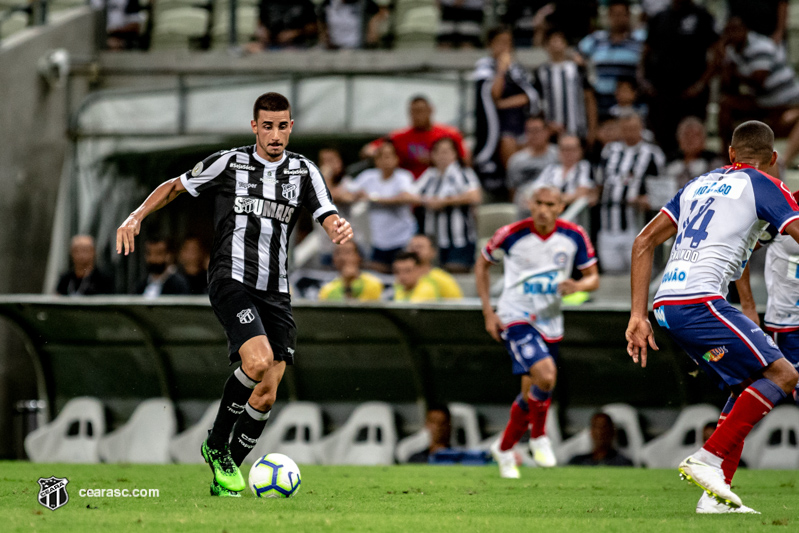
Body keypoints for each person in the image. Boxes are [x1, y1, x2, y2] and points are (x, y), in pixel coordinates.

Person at [116, 92, 353, 497]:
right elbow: (176, 187)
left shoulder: (304, 171)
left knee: (267, 391)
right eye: (268, 126)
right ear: (254, 127)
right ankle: (215, 444)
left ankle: (227, 479)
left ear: (290, 127)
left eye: (282, 126)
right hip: (231, 278)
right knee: (257, 360)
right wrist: (137, 215)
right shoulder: (230, 162)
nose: (275, 134)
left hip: (276, 290)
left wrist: (336, 226)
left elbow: (326, 211)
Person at [625, 120, 799, 514]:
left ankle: (715, 497)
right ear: (773, 158)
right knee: (784, 374)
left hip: (666, 304)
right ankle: (708, 458)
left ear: (731, 154)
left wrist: (637, 315)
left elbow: (643, 241)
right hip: (700, 301)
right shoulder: (764, 184)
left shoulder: (697, 184)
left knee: (748, 387)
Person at [476, 185, 599, 478]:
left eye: (551, 204)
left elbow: (593, 278)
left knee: (532, 392)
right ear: (530, 204)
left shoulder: (573, 236)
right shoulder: (511, 233)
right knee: (546, 376)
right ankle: (539, 437)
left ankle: (504, 449)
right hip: (515, 316)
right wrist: (488, 312)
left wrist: (578, 286)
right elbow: (482, 265)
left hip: (550, 322)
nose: (544, 209)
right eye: (539, 203)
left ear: (560, 207)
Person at [719, 17, 799, 170]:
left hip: (787, 101)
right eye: (728, 32)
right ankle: (727, 158)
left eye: (735, 31)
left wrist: (732, 69)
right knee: (725, 104)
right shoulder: (730, 51)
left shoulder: (761, 46)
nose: (731, 35)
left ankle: (784, 161)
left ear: (746, 30)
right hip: (763, 102)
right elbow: (728, 86)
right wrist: (723, 64)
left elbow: (759, 81)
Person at [640, 0, 719, 156]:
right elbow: (646, 50)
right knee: (663, 137)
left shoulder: (702, 16)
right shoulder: (659, 17)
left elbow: (716, 53)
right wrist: (642, 78)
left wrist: (702, 83)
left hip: (691, 92)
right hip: (661, 90)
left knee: (691, 136)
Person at [473, 26, 541, 196]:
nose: (505, 47)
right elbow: (492, 95)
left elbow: (528, 96)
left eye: (508, 43)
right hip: (498, 127)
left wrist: (504, 104)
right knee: (509, 153)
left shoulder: (517, 69)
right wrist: (501, 70)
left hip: (519, 123)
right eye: (501, 42)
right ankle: (512, 195)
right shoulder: (484, 67)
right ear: (491, 44)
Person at [596, 112, 665, 273]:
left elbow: (662, 191)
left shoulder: (653, 153)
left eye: (633, 128)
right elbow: (599, 183)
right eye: (625, 128)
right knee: (611, 272)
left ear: (641, 128)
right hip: (608, 224)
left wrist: (646, 199)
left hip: (637, 224)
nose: (629, 132)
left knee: (638, 271)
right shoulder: (609, 150)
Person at [342, 142, 417, 273]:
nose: (385, 160)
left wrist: (373, 198)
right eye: (381, 157)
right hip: (379, 239)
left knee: (402, 273)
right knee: (379, 274)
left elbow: (407, 197)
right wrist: (355, 196)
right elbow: (347, 192)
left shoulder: (403, 176)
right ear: (376, 160)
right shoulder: (368, 176)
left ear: (396, 159)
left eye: (389, 156)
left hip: (403, 237)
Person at [414, 137, 482, 273]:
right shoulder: (430, 175)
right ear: (432, 155)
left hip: (459, 237)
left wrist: (444, 202)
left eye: (446, 152)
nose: (442, 156)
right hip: (433, 236)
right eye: (438, 152)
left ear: (455, 154)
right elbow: (411, 195)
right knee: (431, 274)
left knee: (455, 273)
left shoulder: (463, 173)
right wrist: (427, 201)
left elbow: (475, 196)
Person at [363, 96, 468, 180]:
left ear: (430, 110)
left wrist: (436, 159)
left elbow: (465, 161)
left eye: (420, 111)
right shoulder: (399, 136)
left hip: (441, 187)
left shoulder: (449, 134)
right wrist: (387, 158)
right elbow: (368, 150)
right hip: (407, 189)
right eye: (413, 112)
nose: (416, 116)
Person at [578, 0, 646, 119]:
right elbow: (575, 52)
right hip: (602, 103)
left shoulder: (639, 39)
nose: (618, 18)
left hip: (631, 105)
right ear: (609, 16)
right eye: (614, 14)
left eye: (622, 14)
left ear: (628, 15)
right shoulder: (597, 39)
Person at [534, 28, 597, 144]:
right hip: (552, 133)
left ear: (565, 44)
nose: (556, 44)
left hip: (577, 129)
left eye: (559, 40)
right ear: (546, 46)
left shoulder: (577, 69)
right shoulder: (541, 72)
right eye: (552, 41)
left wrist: (592, 129)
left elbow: (589, 98)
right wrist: (546, 124)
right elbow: (537, 102)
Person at [658, 117, 725, 208]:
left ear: (703, 140)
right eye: (686, 135)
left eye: (695, 136)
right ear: (678, 139)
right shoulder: (669, 161)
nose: (690, 140)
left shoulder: (714, 162)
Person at [506, 116, 559, 214]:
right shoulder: (516, 160)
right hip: (524, 209)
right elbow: (512, 189)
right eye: (529, 131)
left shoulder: (558, 156)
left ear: (547, 132)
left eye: (537, 130)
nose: (534, 135)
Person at [535, 134, 596, 207]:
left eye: (572, 149)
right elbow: (536, 192)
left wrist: (552, 198)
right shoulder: (550, 169)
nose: (568, 153)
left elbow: (581, 193)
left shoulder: (584, 166)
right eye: (564, 149)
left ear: (580, 150)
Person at [318, 241, 383, 301]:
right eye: (338, 253)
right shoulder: (326, 289)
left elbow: (361, 311)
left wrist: (348, 285)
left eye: (347, 252)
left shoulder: (373, 283)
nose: (342, 257)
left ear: (358, 257)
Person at [406, 234, 463, 299]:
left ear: (433, 252)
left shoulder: (442, 279)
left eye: (420, 247)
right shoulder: (399, 279)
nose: (415, 250)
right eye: (412, 247)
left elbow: (456, 304)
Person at [317, 0, 390, 50]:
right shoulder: (328, 4)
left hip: (357, 48)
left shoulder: (364, 3)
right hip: (334, 48)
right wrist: (324, 35)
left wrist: (373, 25)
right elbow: (320, 20)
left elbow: (383, 12)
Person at [567, 412, 634, 466]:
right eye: (596, 427)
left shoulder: (623, 463)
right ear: (591, 432)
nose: (600, 432)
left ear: (613, 432)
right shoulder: (577, 462)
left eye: (604, 427)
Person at [250, 0, 318, 51]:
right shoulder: (266, 2)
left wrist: (295, 33)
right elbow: (260, 25)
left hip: (297, 45)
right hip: (270, 45)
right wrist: (262, 32)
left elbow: (314, 28)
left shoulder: (304, 2)